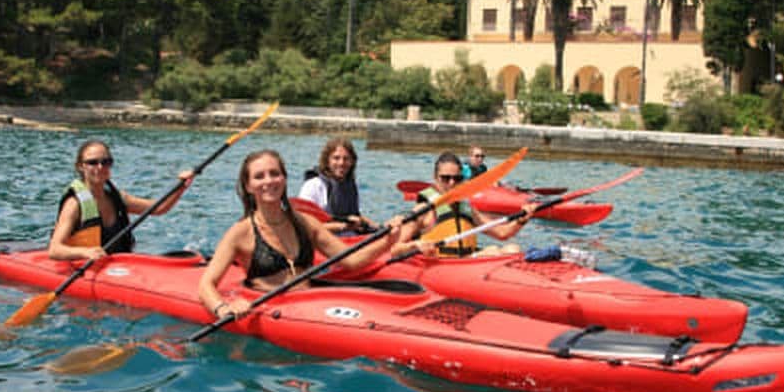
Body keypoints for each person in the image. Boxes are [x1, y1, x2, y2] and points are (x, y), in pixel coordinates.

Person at [199, 150, 402, 320]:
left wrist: (388, 240)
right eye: (259, 176)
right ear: (248, 186)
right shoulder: (240, 233)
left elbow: (351, 260)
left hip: (307, 306)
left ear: (284, 179)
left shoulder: (304, 222)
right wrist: (224, 309)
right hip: (269, 311)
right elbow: (206, 285)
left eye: (274, 173)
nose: (269, 181)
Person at [48, 140, 193, 261]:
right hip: (83, 269)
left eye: (106, 162)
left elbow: (159, 208)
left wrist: (181, 186)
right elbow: (54, 250)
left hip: (118, 267)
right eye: (93, 162)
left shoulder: (118, 198)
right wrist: (85, 252)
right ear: (80, 166)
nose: (100, 167)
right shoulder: (74, 204)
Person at [391, 151, 536, 259]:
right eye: (446, 178)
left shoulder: (466, 208)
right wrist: (415, 245)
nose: (452, 183)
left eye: (457, 178)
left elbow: (502, 233)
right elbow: (395, 249)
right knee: (495, 251)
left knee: (513, 248)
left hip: (465, 262)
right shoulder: (423, 210)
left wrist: (521, 220)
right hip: (439, 264)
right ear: (435, 178)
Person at [298, 138, 378, 235]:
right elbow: (305, 226)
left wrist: (378, 227)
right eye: (336, 158)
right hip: (324, 239)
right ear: (327, 161)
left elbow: (355, 215)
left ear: (352, 162)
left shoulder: (350, 185)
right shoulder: (313, 186)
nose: (341, 163)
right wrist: (342, 226)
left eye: (346, 159)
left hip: (351, 237)